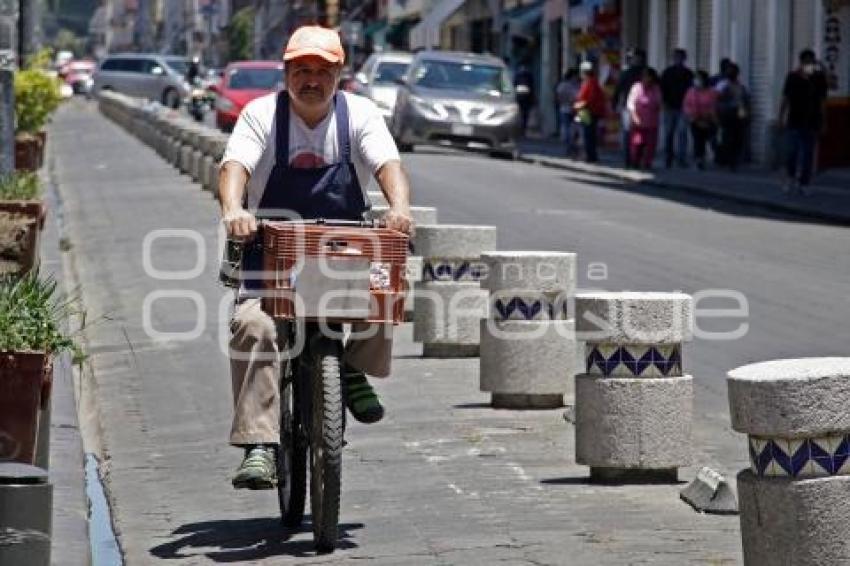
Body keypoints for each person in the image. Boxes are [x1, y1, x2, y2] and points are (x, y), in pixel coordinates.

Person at [218, 26, 413, 489]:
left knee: (383, 295)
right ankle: (259, 444)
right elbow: (235, 167)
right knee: (254, 326)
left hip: (342, 249)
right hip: (272, 248)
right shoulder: (261, 114)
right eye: (301, 70)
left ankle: (350, 368)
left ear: (339, 75)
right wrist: (233, 210)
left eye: (322, 71)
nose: (311, 80)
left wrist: (400, 210)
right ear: (286, 73)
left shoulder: (360, 114)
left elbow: (389, 166)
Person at [779, 49, 828, 195]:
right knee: (792, 152)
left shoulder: (819, 78)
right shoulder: (792, 77)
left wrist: (824, 121)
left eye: (811, 63)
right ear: (801, 63)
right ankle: (790, 177)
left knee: (808, 155)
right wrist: (781, 117)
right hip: (794, 120)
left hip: (812, 121)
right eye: (806, 62)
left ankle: (804, 183)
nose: (809, 65)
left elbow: (822, 101)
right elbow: (785, 99)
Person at [612, 48, 647, 167]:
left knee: (642, 134)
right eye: (633, 58)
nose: (636, 60)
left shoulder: (646, 73)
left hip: (645, 107)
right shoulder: (626, 73)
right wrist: (615, 102)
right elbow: (618, 89)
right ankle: (628, 159)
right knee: (628, 133)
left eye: (637, 58)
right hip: (628, 107)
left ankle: (638, 158)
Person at [660, 49, 694, 168]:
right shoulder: (667, 73)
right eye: (676, 57)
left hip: (683, 107)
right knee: (669, 132)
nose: (678, 60)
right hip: (669, 106)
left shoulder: (688, 74)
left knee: (682, 132)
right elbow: (661, 89)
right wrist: (663, 103)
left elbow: (692, 91)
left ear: (684, 59)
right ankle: (668, 157)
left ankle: (681, 158)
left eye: (680, 57)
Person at [627, 67, 663, 170]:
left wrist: (656, 107)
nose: (647, 80)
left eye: (649, 77)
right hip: (638, 121)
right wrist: (634, 116)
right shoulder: (636, 87)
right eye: (645, 77)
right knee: (637, 144)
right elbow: (631, 103)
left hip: (651, 121)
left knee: (650, 145)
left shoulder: (656, 89)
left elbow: (659, 103)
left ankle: (647, 163)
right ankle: (635, 162)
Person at [715, 63, 749, 171]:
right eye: (730, 72)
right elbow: (717, 100)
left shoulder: (741, 86)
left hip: (738, 112)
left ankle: (734, 159)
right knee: (727, 137)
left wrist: (745, 116)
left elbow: (744, 102)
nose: (732, 74)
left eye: (734, 72)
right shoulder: (722, 85)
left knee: (738, 137)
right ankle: (728, 160)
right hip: (727, 113)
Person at [683, 70, 718, 169]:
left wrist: (710, 116)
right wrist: (691, 114)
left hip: (708, 119)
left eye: (699, 79)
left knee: (711, 139)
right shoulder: (691, 91)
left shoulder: (712, 92)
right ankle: (699, 159)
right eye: (696, 79)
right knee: (698, 141)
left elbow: (714, 105)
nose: (697, 81)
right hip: (695, 119)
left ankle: (715, 156)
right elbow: (686, 105)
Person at [574, 61, 607, 163]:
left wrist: (581, 104)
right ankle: (587, 155)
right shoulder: (588, 82)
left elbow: (590, 98)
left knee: (588, 134)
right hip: (585, 111)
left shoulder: (591, 82)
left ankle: (590, 156)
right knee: (587, 134)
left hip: (588, 112)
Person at [555, 68, 581, 156]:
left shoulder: (562, 85)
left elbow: (558, 97)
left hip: (566, 109)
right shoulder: (574, 86)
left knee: (569, 129)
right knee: (572, 129)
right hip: (572, 110)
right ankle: (572, 147)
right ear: (572, 76)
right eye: (576, 75)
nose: (577, 77)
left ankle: (570, 147)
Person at [514, 65, 535, 135]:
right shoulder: (528, 76)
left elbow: (514, 85)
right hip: (524, 98)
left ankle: (521, 128)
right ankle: (522, 128)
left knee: (522, 114)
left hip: (522, 98)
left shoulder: (519, 76)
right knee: (524, 114)